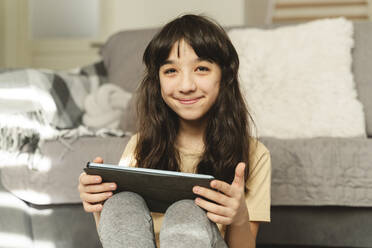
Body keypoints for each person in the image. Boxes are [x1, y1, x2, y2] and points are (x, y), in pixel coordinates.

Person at [78, 14, 271, 248]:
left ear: (224, 76)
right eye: (171, 71)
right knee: (121, 203)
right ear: (157, 81)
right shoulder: (140, 145)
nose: (186, 86)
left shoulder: (254, 154)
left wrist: (239, 216)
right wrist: (99, 205)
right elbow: (120, 235)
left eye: (201, 68)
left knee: (186, 210)